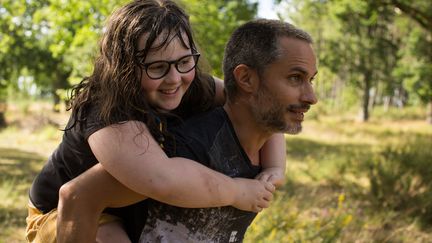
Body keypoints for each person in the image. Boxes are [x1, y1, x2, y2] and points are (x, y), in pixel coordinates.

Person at [25, 1, 285, 243]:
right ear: (125, 67)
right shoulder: (107, 110)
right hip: (62, 212)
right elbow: (162, 179)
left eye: (184, 61)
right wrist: (237, 192)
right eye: (157, 68)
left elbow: (254, 103)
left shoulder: (189, 82)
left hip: (127, 204)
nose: (174, 79)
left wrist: (274, 167)